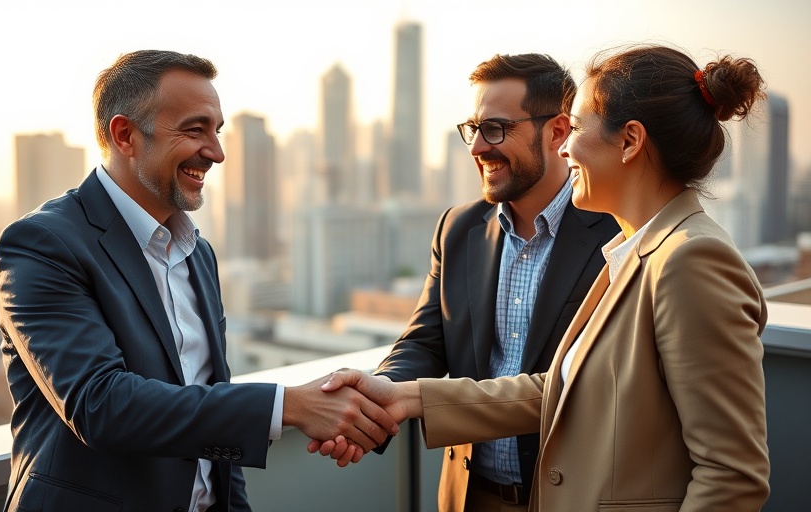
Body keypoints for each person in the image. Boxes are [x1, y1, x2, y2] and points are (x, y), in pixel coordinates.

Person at [320, 44, 770, 511]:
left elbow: (731, 475)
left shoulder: (690, 258)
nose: (567, 146)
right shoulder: (635, 247)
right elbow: (559, 389)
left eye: (575, 127)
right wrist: (398, 397)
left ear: (630, 141)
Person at [0, 50, 397, 512]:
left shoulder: (196, 252)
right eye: (194, 130)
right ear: (125, 135)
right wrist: (290, 406)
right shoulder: (43, 243)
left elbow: (212, 415)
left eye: (217, 131)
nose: (217, 152)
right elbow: (99, 404)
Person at [313, 53, 618, 510]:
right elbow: (424, 342)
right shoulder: (458, 229)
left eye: (495, 129)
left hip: (572, 497)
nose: (477, 147)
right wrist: (372, 406)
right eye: (472, 129)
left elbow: (594, 384)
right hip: (469, 495)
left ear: (557, 131)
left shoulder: (616, 236)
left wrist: (399, 402)